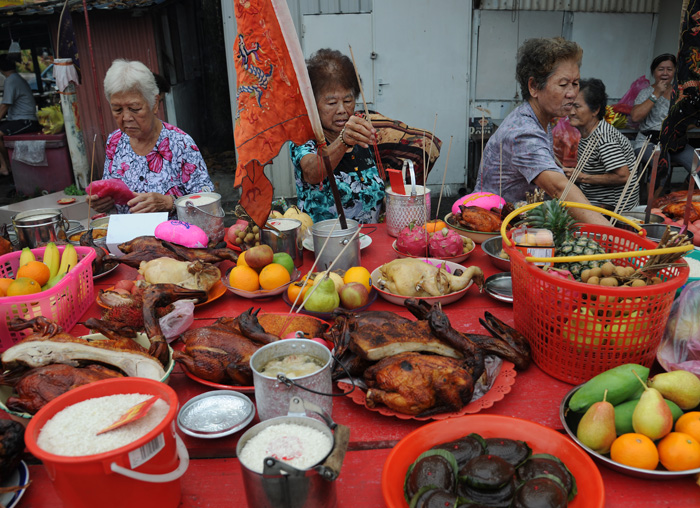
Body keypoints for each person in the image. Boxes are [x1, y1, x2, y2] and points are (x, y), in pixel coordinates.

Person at [474, 37, 608, 226]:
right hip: (495, 227)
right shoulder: (523, 132)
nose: (571, 93)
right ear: (534, 87)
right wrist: (612, 235)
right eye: (563, 85)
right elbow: (559, 188)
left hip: (519, 223)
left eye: (575, 83)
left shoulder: (540, 120)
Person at [89, 59, 213, 215]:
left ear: (154, 103)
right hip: (127, 237)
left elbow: (208, 203)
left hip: (172, 237)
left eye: (134, 108)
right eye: (117, 110)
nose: (126, 117)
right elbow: (111, 194)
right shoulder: (114, 142)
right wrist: (102, 202)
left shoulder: (181, 143)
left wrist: (170, 202)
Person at [290, 48, 385, 224]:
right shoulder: (303, 137)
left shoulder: (360, 130)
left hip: (368, 240)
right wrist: (343, 141)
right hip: (325, 244)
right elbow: (312, 173)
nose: (342, 110)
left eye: (348, 101)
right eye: (332, 103)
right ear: (312, 105)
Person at [566, 78, 638, 211]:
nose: (571, 112)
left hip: (614, 212)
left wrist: (582, 177)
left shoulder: (604, 138)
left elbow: (623, 176)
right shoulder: (589, 133)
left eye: (577, 106)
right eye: (570, 105)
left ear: (595, 110)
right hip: (595, 203)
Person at [630, 54, 694, 179]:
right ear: (654, 72)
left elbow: (691, 121)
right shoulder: (646, 93)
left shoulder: (681, 95)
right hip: (648, 143)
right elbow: (636, 117)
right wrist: (656, 93)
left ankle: (678, 195)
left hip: (675, 143)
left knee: (697, 164)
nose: (665, 73)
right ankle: (654, 199)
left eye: (669, 69)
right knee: (662, 166)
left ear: (675, 72)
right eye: (661, 69)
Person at [0, 55, 41, 176]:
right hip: (18, 120)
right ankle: (7, 165)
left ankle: (5, 166)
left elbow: (5, 105)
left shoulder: (11, 80)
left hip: (26, 121)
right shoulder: (15, 78)